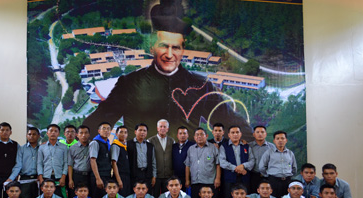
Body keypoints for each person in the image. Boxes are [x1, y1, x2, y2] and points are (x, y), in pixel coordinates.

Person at [82, 0, 252, 140]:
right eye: (164, 46)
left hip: (184, 171)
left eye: (176, 48)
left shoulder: (201, 87)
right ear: (152, 47)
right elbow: (98, 120)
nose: (170, 55)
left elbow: (232, 123)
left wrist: (256, 146)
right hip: (140, 172)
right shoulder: (129, 84)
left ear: (183, 50)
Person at [219, 125, 255, 198]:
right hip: (229, 179)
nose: (235, 134)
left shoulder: (246, 146)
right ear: (229, 135)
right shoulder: (224, 146)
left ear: (240, 134)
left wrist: (243, 166)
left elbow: (252, 161)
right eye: (233, 132)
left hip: (244, 179)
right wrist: (236, 168)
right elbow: (222, 162)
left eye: (237, 132)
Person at [185, 127, 221, 198]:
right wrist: (187, 180)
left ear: (206, 136)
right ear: (194, 137)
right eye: (197, 135)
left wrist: (217, 178)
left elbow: (218, 164)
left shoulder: (213, 148)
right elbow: (187, 165)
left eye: (202, 134)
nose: (199, 136)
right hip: (195, 182)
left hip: (210, 182)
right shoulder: (191, 149)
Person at [259, 131, 297, 198]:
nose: (280, 140)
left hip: (287, 181)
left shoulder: (290, 153)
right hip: (274, 181)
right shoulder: (269, 153)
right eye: (278, 138)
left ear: (286, 140)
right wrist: (269, 176)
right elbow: (262, 167)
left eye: (282, 138)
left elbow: (294, 168)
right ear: (274, 140)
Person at [37, 124, 68, 198]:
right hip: (46, 177)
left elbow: (66, 163)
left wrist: (63, 177)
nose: (53, 133)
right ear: (47, 133)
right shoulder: (42, 147)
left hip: (59, 177)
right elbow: (39, 163)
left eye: (55, 131)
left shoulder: (63, 147)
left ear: (58, 133)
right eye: (51, 131)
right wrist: (41, 178)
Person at [148, 119, 175, 198]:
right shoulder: (150, 141)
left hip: (168, 176)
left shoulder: (172, 141)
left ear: (167, 129)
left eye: (164, 127)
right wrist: (153, 175)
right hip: (156, 176)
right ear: (157, 128)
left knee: (167, 197)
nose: (162, 128)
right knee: (155, 197)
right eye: (161, 126)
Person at [127, 123, 157, 194]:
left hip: (147, 174)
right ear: (135, 132)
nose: (142, 132)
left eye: (144, 130)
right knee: (134, 194)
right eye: (140, 130)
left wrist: (154, 176)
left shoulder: (150, 146)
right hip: (134, 174)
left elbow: (153, 161)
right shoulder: (128, 144)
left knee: (147, 194)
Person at [16, 127, 40, 198]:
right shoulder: (21, 149)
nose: (31, 136)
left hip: (38, 178)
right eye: (29, 134)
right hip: (24, 178)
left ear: (38, 136)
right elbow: (18, 164)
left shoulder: (42, 149)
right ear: (26, 135)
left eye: (34, 134)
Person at [89, 122, 112, 198]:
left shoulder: (107, 143)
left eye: (108, 129)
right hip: (99, 176)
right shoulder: (95, 142)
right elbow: (92, 160)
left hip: (106, 175)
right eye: (104, 128)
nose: (106, 131)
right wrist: (98, 178)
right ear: (99, 131)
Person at [248, 125, 274, 193]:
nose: (260, 134)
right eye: (258, 132)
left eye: (262, 132)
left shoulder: (271, 147)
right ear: (254, 134)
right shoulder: (249, 146)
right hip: (253, 175)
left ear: (266, 134)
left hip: (268, 175)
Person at [67, 125, 91, 197]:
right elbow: (70, 164)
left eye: (86, 133)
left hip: (89, 175)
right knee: (74, 196)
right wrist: (70, 179)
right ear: (77, 135)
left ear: (89, 134)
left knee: (89, 196)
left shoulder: (92, 146)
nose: (83, 135)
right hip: (77, 175)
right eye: (81, 133)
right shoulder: (72, 148)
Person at [171, 126, 195, 191]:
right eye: (180, 133)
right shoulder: (174, 146)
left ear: (188, 135)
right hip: (176, 176)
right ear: (177, 135)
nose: (182, 135)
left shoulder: (193, 145)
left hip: (189, 177)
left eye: (184, 133)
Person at [110, 125, 131, 197]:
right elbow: (114, 163)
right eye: (121, 132)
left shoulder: (124, 146)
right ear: (116, 134)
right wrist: (119, 180)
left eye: (125, 132)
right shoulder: (115, 145)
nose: (123, 134)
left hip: (127, 176)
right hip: (120, 176)